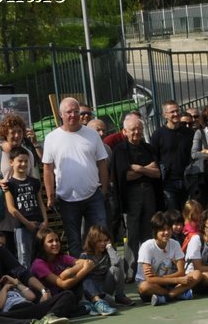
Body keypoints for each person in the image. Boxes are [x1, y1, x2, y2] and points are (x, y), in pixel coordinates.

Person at [41, 96, 111, 256]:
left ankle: (101, 270)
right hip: (67, 199)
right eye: (68, 112)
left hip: (94, 195)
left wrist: (104, 190)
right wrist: (50, 195)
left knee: (100, 236)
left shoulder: (92, 135)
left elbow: (102, 164)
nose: (73, 115)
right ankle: (80, 276)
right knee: (74, 240)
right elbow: (47, 168)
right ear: (60, 114)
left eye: (76, 111)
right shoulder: (51, 138)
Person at [0, 263, 74, 324]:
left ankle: (49, 317)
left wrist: (16, 283)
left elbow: (31, 297)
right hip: (14, 314)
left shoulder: (13, 289)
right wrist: (5, 289)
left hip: (31, 308)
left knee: (67, 294)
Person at [111, 112, 162, 254]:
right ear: (124, 131)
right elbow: (125, 176)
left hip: (149, 192)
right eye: (133, 129)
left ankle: (148, 265)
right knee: (132, 232)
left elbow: (157, 173)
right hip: (131, 195)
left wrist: (139, 168)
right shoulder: (120, 150)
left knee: (149, 230)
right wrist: (147, 170)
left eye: (139, 128)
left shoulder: (148, 149)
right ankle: (130, 272)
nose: (137, 132)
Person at [137, 212, 193, 304]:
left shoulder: (175, 244)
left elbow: (181, 271)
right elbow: (149, 279)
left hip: (169, 284)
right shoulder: (147, 246)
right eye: (162, 230)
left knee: (196, 274)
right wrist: (177, 280)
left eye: (169, 229)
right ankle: (176, 294)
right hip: (154, 286)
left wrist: (159, 277)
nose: (166, 233)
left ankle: (166, 297)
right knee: (144, 286)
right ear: (155, 231)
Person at [3, 148, 46, 264]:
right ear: (11, 162)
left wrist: (45, 220)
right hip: (22, 227)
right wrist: (27, 223)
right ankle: (27, 281)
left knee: (41, 255)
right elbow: (11, 208)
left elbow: (40, 201)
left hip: (39, 224)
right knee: (25, 257)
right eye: (20, 161)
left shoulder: (35, 181)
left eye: (26, 161)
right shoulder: (9, 184)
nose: (23, 164)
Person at [151, 100, 195, 212]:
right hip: (169, 182)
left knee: (189, 214)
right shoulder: (158, 135)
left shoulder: (189, 133)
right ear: (165, 115)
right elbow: (154, 157)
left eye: (177, 111)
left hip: (187, 179)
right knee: (173, 216)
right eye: (172, 112)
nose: (175, 114)